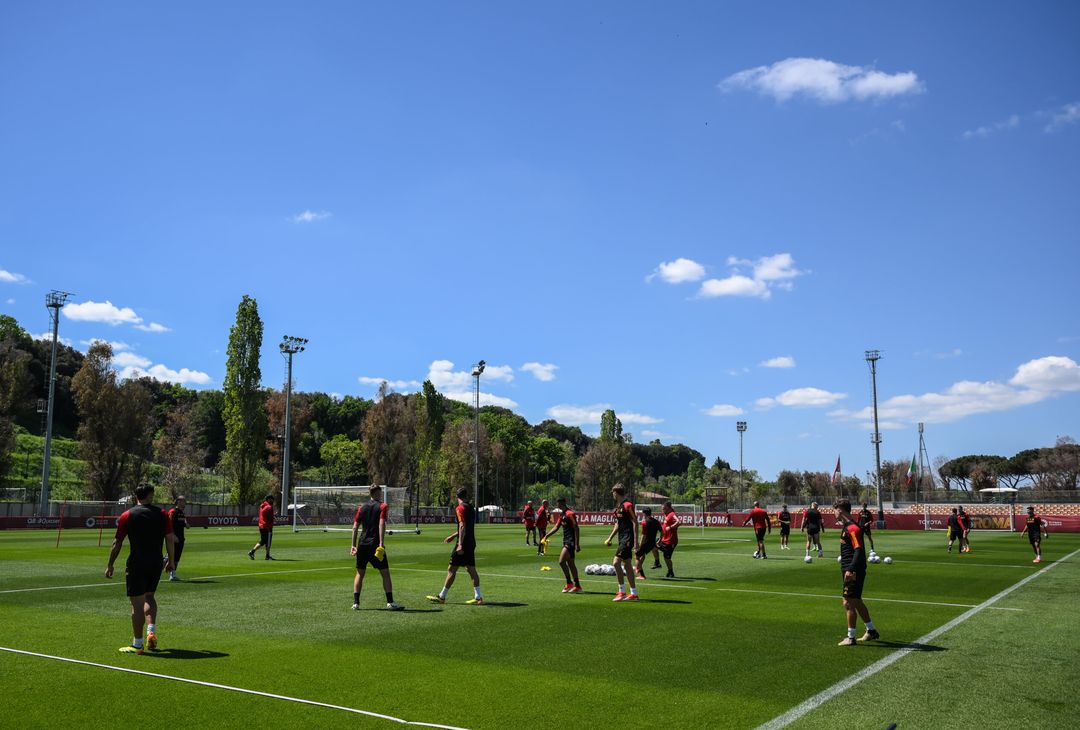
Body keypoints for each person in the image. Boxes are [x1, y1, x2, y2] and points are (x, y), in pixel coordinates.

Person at [105, 484, 176, 655]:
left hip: (137, 563)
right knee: (150, 597)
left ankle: (137, 643)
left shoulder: (127, 515)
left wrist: (110, 564)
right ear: (150, 495)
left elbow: (117, 543)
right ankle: (151, 631)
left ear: (135, 496)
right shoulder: (163, 514)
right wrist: (171, 561)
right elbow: (170, 538)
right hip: (156, 562)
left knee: (136, 603)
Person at [350, 485, 404, 611]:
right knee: (385, 573)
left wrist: (353, 545)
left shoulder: (361, 508)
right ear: (378, 493)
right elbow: (381, 524)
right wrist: (381, 543)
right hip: (374, 544)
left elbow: (354, 527)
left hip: (362, 543)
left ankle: (356, 603)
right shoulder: (383, 506)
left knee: (360, 573)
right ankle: (390, 602)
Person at [834, 499, 879, 646]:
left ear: (840, 509)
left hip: (853, 570)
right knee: (856, 600)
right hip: (851, 569)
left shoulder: (853, 528)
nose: (833, 513)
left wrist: (851, 569)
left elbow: (859, 549)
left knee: (848, 602)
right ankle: (871, 631)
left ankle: (851, 637)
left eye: (834, 509)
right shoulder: (847, 527)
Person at [427, 487, 484, 605]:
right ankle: (478, 598)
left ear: (457, 497)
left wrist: (459, 544)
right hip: (471, 542)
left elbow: (462, 526)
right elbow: (466, 527)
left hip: (463, 543)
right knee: (471, 569)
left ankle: (442, 597)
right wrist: (453, 536)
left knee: (452, 569)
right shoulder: (470, 507)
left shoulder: (460, 508)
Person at [603, 484, 639, 601]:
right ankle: (633, 593)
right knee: (627, 565)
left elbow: (635, 522)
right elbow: (618, 524)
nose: (612, 495)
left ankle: (622, 592)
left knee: (616, 563)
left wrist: (636, 541)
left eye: (613, 492)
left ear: (616, 493)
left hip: (627, 538)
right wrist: (610, 538)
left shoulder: (628, 505)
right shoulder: (618, 507)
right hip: (621, 538)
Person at [543, 497, 582, 593]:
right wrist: (546, 536)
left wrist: (577, 544)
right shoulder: (562, 514)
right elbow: (556, 527)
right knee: (571, 564)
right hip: (566, 541)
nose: (557, 506)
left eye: (559, 504)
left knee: (561, 561)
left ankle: (569, 583)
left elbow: (576, 528)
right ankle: (577, 586)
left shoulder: (570, 514)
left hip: (571, 542)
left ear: (563, 503)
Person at [634, 507, 662, 579]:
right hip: (652, 543)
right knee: (642, 555)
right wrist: (660, 540)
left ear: (644, 514)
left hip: (646, 543)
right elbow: (662, 532)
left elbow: (644, 535)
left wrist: (640, 545)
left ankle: (642, 575)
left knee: (637, 556)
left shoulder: (644, 522)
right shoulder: (656, 521)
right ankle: (638, 568)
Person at [165, 496, 188, 581]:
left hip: (181, 538)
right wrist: (173, 536)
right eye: (183, 501)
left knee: (176, 558)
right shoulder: (172, 512)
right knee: (169, 557)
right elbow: (169, 524)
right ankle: (154, 574)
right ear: (178, 502)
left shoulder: (182, 513)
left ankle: (173, 575)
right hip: (174, 538)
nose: (185, 503)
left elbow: (183, 522)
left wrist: (186, 524)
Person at [247, 494, 275, 560]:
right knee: (268, 542)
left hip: (261, 525)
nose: (272, 500)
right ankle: (267, 556)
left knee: (263, 541)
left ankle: (252, 552)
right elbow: (270, 517)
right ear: (268, 499)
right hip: (267, 526)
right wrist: (273, 517)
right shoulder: (269, 507)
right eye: (272, 499)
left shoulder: (262, 505)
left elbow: (264, 515)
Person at [658, 501, 679, 578]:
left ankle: (670, 572)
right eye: (662, 509)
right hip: (664, 539)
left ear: (668, 508)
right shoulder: (666, 514)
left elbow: (679, 522)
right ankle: (657, 562)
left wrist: (670, 527)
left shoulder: (672, 514)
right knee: (652, 544)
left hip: (671, 541)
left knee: (667, 557)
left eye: (664, 508)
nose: (663, 510)